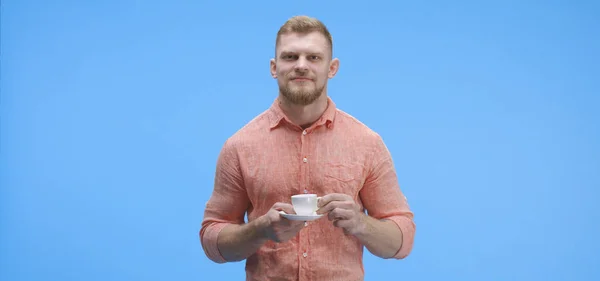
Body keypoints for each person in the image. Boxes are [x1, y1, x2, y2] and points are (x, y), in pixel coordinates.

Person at [200, 15, 415, 281]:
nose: (301, 66)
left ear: (332, 68)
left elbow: (402, 240)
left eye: (313, 58)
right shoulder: (240, 146)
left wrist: (361, 223)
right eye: (290, 57)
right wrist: (260, 230)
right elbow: (212, 240)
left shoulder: (367, 143)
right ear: (273, 67)